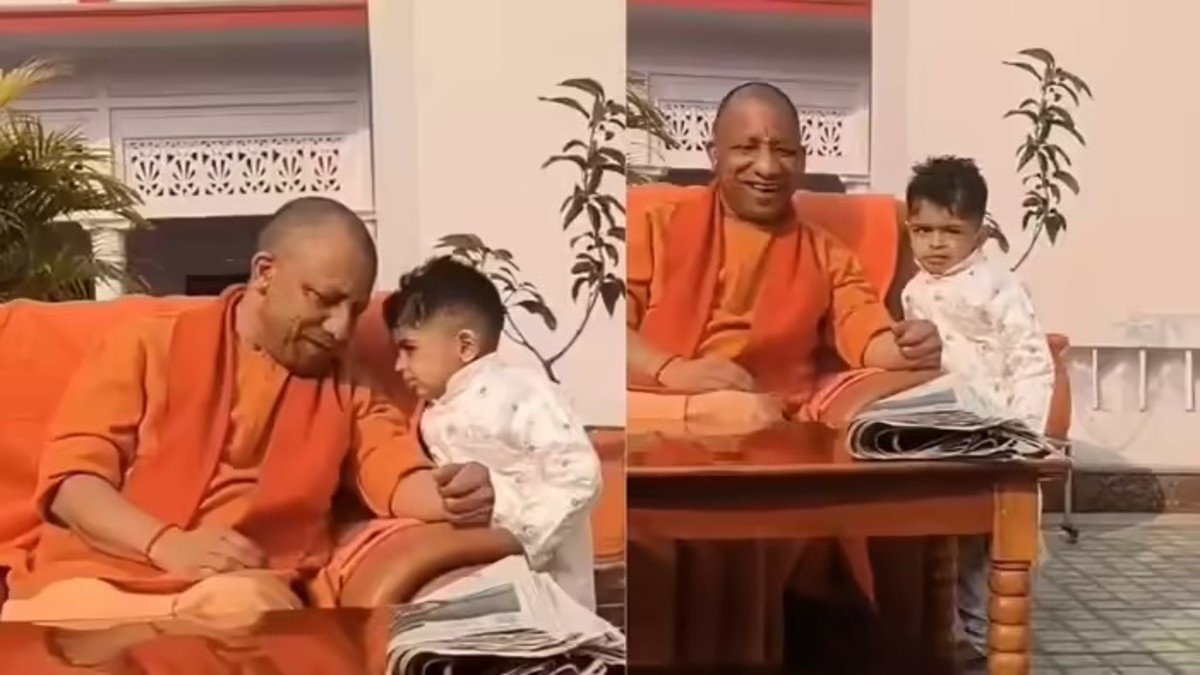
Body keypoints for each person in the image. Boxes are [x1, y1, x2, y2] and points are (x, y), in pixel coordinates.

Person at [1, 197, 500, 623]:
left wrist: (450, 495)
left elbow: (393, 472)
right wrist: (165, 544)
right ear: (265, 273)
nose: (340, 328)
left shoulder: (349, 385)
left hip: (232, 597)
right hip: (98, 580)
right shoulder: (146, 343)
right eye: (324, 300)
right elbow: (72, 484)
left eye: (354, 309)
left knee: (254, 613)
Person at [625, 81, 944, 668]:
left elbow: (867, 334)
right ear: (713, 154)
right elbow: (603, 334)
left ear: (802, 158)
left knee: (767, 488)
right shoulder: (655, 227)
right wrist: (675, 373)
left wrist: (907, 346)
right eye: (747, 148)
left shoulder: (825, 253)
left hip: (765, 440)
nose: (768, 167)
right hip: (655, 413)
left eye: (784, 151)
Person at [900, 156, 1054, 662]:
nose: (935, 243)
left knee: (994, 547)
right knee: (945, 540)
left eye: (951, 231)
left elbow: (1031, 360)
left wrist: (1026, 437)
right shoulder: (913, 292)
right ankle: (951, 638)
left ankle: (992, 642)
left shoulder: (997, 286)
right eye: (923, 230)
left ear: (979, 231)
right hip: (942, 436)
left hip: (998, 437)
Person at [383, 256, 602, 610]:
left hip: (550, 594)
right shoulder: (429, 414)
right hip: (477, 587)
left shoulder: (521, 391)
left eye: (409, 349)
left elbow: (578, 475)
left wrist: (514, 533)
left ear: (465, 346)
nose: (399, 365)